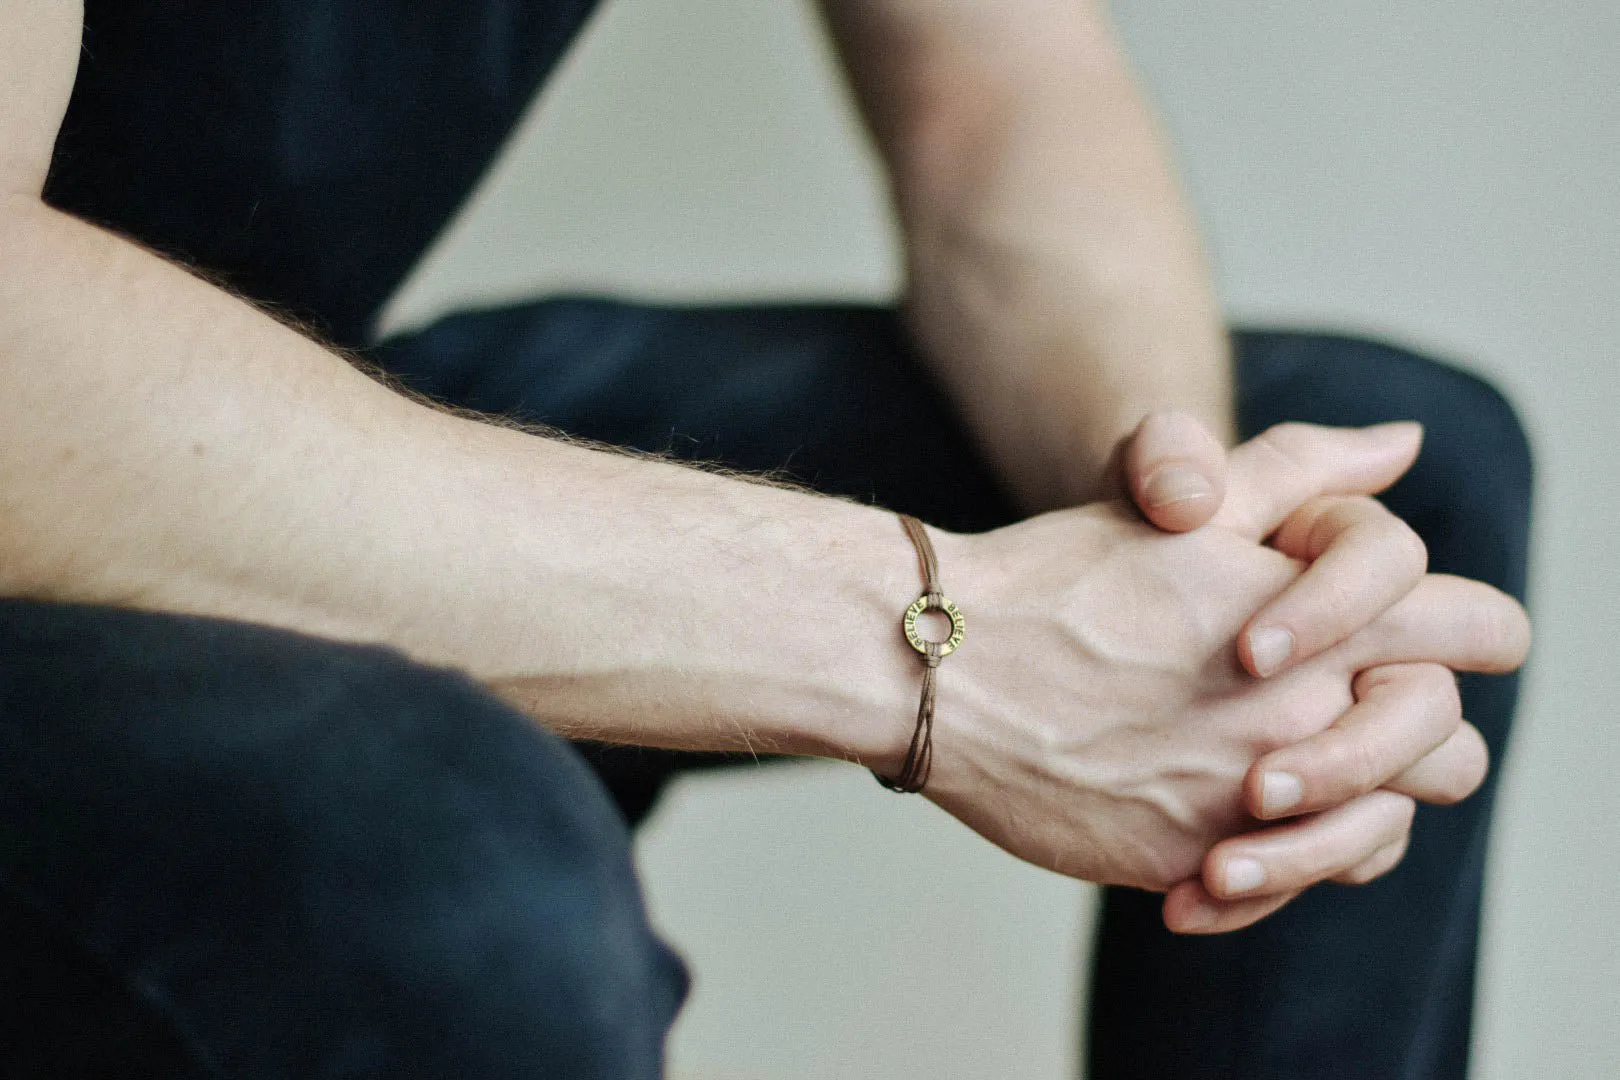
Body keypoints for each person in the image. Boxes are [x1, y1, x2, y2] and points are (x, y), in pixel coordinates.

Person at [0, 1, 1530, 1077]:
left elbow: (999, 102)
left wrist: (1198, 535)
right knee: (441, 849)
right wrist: (943, 641)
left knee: (1372, 544)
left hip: (273, 408)